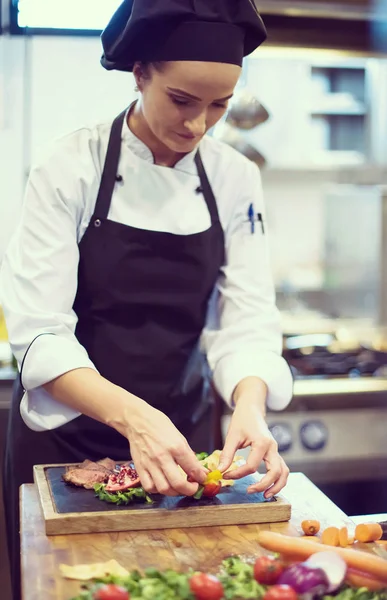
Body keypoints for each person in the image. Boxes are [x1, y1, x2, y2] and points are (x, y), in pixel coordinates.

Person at [1, 1, 293, 598]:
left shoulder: (236, 177)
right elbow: (37, 333)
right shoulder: (70, 165)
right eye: (182, 100)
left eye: (219, 106)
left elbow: (247, 320)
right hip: (67, 441)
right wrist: (135, 419)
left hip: (181, 444)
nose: (197, 125)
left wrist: (250, 406)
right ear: (140, 74)